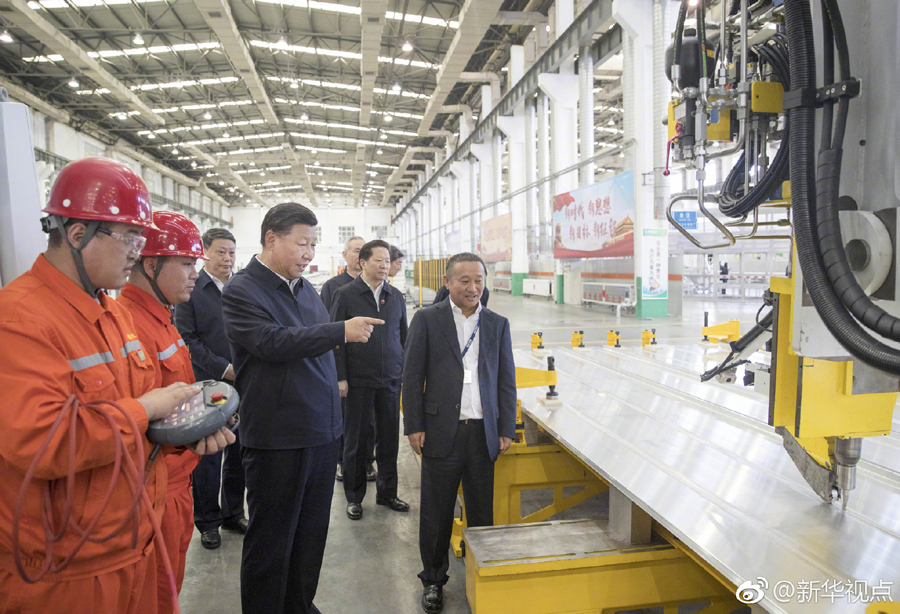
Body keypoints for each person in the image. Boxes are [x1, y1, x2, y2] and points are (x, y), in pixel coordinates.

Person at [0, 157, 232, 614]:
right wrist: (146, 409)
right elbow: (41, 442)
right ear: (77, 233)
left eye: (141, 239)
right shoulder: (20, 318)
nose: (136, 252)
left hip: (133, 537)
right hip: (67, 568)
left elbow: (134, 429)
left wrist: (180, 436)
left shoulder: (111, 315)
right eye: (128, 237)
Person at [221, 202, 384, 614]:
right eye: (302, 243)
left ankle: (300, 605)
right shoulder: (243, 290)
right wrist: (339, 331)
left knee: (310, 537)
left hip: (321, 433)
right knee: (271, 543)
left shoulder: (304, 289)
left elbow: (316, 348)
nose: (309, 253)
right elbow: (272, 342)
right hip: (278, 438)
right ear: (271, 239)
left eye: (314, 244)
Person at [402, 252, 517, 614]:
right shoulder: (427, 320)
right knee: (436, 513)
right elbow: (411, 376)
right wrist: (414, 425)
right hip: (440, 432)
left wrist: (505, 427)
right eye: (464, 280)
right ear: (448, 282)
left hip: (483, 434)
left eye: (478, 280)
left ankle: (480, 575)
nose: (472, 287)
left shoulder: (497, 324)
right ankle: (433, 580)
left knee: (482, 511)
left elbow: (506, 380)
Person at [174, 228, 248, 551]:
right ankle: (207, 521)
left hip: (243, 381)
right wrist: (223, 368)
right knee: (208, 455)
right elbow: (188, 340)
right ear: (205, 253)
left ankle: (233, 513)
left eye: (231, 252)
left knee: (239, 451)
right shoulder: (192, 289)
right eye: (220, 252)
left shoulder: (241, 287)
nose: (227, 258)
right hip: (207, 384)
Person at [330, 239, 409, 521]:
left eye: (388, 261)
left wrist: (403, 373)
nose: (385, 265)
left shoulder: (395, 296)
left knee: (389, 440)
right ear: (363, 263)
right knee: (356, 440)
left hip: (390, 380)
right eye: (379, 260)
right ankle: (354, 497)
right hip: (358, 381)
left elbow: (404, 337)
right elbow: (336, 340)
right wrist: (340, 378)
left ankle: (387, 493)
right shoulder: (345, 295)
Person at [320, 235, 376, 483]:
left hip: (370, 367)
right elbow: (326, 329)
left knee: (370, 419)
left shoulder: (375, 285)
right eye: (355, 250)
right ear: (345, 255)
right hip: (345, 364)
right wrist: (338, 373)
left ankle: (367, 461)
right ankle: (343, 461)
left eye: (364, 251)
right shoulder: (333, 287)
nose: (359, 255)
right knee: (345, 418)